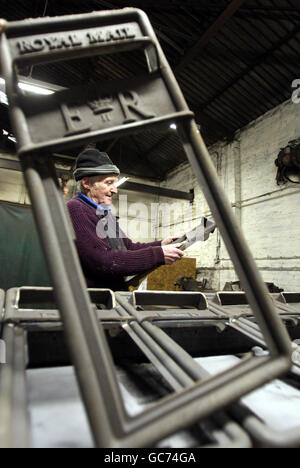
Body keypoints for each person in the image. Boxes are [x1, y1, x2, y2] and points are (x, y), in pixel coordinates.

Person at [67, 148, 184, 291]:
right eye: (108, 182)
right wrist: (158, 254)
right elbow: (102, 260)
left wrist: (161, 244)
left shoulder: (103, 213)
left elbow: (127, 246)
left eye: (114, 183)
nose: (115, 190)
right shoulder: (76, 209)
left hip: (112, 296)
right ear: (86, 183)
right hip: (94, 302)